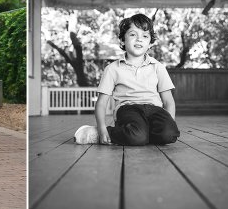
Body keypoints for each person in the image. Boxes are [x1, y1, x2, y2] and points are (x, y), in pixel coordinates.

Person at [75, 14, 180, 147]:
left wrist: (168, 124)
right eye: (133, 34)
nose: (139, 39)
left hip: (155, 110)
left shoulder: (158, 67)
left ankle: (141, 134)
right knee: (137, 137)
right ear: (123, 41)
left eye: (145, 36)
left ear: (150, 43)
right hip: (129, 110)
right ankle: (98, 133)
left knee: (169, 134)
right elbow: (101, 103)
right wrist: (101, 128)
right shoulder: (112, 69)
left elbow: (168, 101)